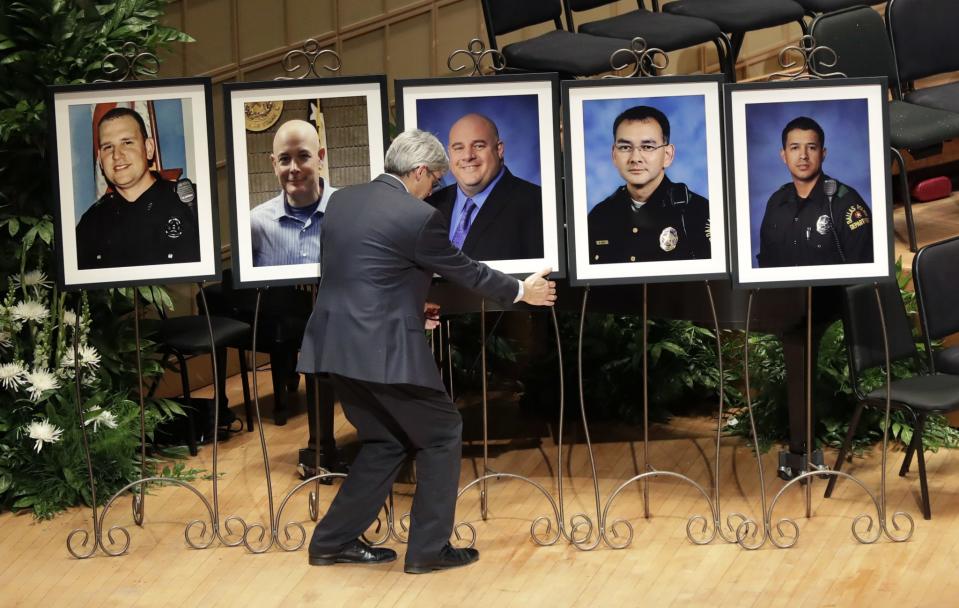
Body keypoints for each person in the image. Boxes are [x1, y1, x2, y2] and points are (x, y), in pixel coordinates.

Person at [298, 129, 556, 574]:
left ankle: (332, 541)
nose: (434, 190)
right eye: (434, 180)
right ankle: (428, 550)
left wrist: (410, 307)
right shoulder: (418, 217)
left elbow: (364, 270)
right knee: (441, 433)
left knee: (385, 440)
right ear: (418, 171)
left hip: (333, 344)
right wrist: (521, 291)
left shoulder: (342, 202)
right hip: (383, 351)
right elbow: (465, 270)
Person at [76, 107, 200, 269]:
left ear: (148, 148)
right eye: (108, 147)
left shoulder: (191, 203)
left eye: (127, 142)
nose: (117, 155)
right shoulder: (91, 223)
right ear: (100, 160)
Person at [587, 105, 711, 264]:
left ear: (668, 155)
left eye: (647, 147)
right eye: (625, 147)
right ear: (614, 155)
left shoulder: (697, 212)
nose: (635, 158)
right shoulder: (600, 216)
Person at [756, 116, 873, 267]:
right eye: (795, 148)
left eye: (811, 147)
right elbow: (766, 265)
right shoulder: (776, 202)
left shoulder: (847, 205)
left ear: (823, 154)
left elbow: (863, 275)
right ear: (783, 155)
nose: (803, 156)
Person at [426, 113, 544, 260]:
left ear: (499, 149)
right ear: (449, 153)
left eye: (478, 146)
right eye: (458, 148)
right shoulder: (429, 206)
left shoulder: (538, 203)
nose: (468, 156)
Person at [250, 119, 336, 267]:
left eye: (303, 156)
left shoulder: (350, 213)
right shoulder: (255, 224)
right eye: (284, 159)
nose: (294, 168)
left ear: (320, 157)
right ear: (274, 164)